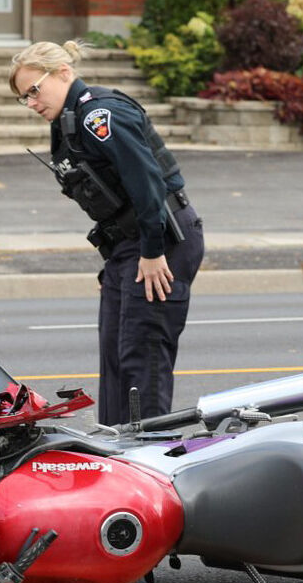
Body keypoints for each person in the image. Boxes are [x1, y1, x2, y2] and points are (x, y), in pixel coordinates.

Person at [11, 40, 205, 426]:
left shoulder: (98, 116)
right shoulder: (66, 122)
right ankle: (117, 452)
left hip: (162, 239)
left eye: (34, 90)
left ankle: (149, 458)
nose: (31, 102)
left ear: (64, 72)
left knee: (141, 359)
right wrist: (115, 265)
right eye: (23, 97)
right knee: (116, 357)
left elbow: (148, 184)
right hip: (129, 246)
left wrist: (151, 253)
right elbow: (111, 200)